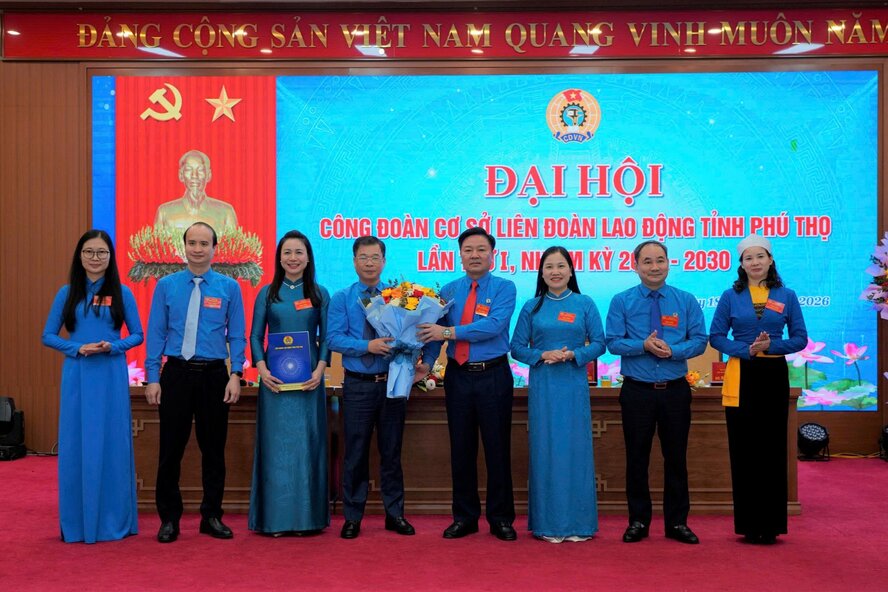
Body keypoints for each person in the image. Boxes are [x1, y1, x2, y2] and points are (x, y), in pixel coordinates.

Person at [145, 222, 246, 543]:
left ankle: (211, 516)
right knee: (170, 451)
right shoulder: (166, 286)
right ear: (184, 246)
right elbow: (156, 334)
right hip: (175, 374)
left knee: (213, 451)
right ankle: (169, 520)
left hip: (215, 376)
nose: (198, 249)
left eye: (205, 243)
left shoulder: (229, 288)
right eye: (192, 243)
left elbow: (237, 335)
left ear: (215, 248)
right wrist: (151, 377)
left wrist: (236, 374)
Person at [42, 230, 143, 543]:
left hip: (111, 372)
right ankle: (78, 522)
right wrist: (77, 348)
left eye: (101, 252)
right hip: (78, 373)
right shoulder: (67, 292)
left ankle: (114, 520)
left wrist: (112, 346)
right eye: (89, 252)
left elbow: (137, 335)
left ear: (111, 257)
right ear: (79, 256)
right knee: (77, 443)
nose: (95, 258)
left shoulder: (123, 292)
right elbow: (48, 335)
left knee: (113, 443)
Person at [418, 227, 518, 541]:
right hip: (458, 376)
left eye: (481, 249)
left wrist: (447, 334)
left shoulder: (505, 288)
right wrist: (426, 361)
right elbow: (434, 332)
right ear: (460, 255)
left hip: (493, 375)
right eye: (468, 250)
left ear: (493, 254)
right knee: (461, 448)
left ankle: (501, 519)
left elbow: (492, 326)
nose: (474, 255)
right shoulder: (447, 291)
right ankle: (465, 517)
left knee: (497, 448)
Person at [326, 235, 429, 539]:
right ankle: (353, 516)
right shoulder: (342, 298)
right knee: (355, 452)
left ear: (384, 262)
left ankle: (394, 513)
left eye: (375, 258)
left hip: (392, 385)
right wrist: (367, 345)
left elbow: (414, 332)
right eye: (363, 257)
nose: (369, 263)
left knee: (392, 452)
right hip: (358, 385)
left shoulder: (399, 298)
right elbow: (333, 339)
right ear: (354, 261)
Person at [605, 240, 707, 545]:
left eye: (659, 260)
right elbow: (612, 341)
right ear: (635, 265)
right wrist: (643, 345)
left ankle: (677, 523)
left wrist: (674, 351)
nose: (654, 267)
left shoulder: (685, 300)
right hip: (637, 391)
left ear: (668, 263)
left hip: (675, 391)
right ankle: (638, 521)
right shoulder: (621, 301)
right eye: (647, 261)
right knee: (637, 458)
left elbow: (699, 340)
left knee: (676, 458)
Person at [709, 234, 807, 545]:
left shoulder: (786, 295)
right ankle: (750, 524)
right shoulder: (730, 296)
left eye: (760, 257)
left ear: (770, 260)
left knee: (773, 448)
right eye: (748, 258)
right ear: (741, 264)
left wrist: (772, 346)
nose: (755, 263)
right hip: (741, 374)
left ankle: (772, 525)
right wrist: (744, 349)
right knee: (745, 449)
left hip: (773, 374)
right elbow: (716, 337)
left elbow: (801, 339)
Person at [509, 246, 605, 543]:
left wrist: (574, 354)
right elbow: (517, 347)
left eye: (561, 266)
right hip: (544, 384)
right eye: (549, 267)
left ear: (571, 271)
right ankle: (549, 524)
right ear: (541, 272)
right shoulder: (532, 306)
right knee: (547, 448)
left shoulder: (584, 303)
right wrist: (542, 354)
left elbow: (600, 343)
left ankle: (579, 523)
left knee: (575, 449)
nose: (555, 271)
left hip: (574, 384)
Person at [248, 230, 331, 536]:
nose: (293, 258)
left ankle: (307, 519)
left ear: (308, 257)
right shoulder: (268, 293)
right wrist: (261, 368)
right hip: (275, 384)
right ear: (279, 258)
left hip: (309, 381)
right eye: (287, 252)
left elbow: (326, 338)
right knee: (276, 448)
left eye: (299, 252)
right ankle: (275, 520)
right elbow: (256, 336)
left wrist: (321, 368)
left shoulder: (320, 294)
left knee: (306, 445)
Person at [153, 150, 238, 235]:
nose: (194, 175)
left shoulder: (225, 213)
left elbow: (233, 246)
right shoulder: (164, 212)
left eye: (200, 170)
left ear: (208, 175)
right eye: (188, 169)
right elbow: (157, 246)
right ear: (181, 175)